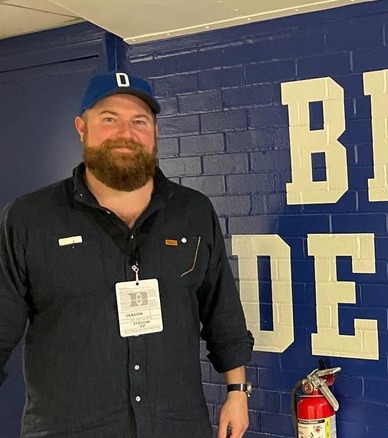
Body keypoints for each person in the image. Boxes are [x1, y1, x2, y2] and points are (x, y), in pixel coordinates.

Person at [0, 71, 255, 437]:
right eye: (109, 119)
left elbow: (222, 310)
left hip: (176, 425)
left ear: (155, 133)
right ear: (81, 127)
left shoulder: (192, 211)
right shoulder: (28, 218)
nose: (126, 133)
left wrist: (237, 391)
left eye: (140, 121)